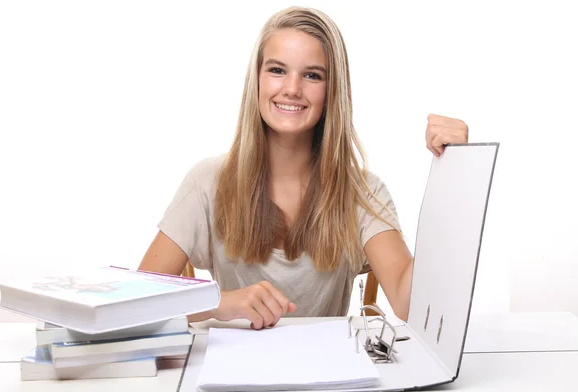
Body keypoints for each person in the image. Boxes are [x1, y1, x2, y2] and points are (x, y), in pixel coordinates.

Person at [138, 6, 468, 329]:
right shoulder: (208, 181)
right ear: (257, 80)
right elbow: (136, 304)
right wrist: (221, 303)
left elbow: (410, 303)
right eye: (277, 70)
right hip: (232, 377)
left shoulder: (361, 191)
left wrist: (454, 174)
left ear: (332, 90)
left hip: (328, 379)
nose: (292, 89)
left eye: (312, 75)